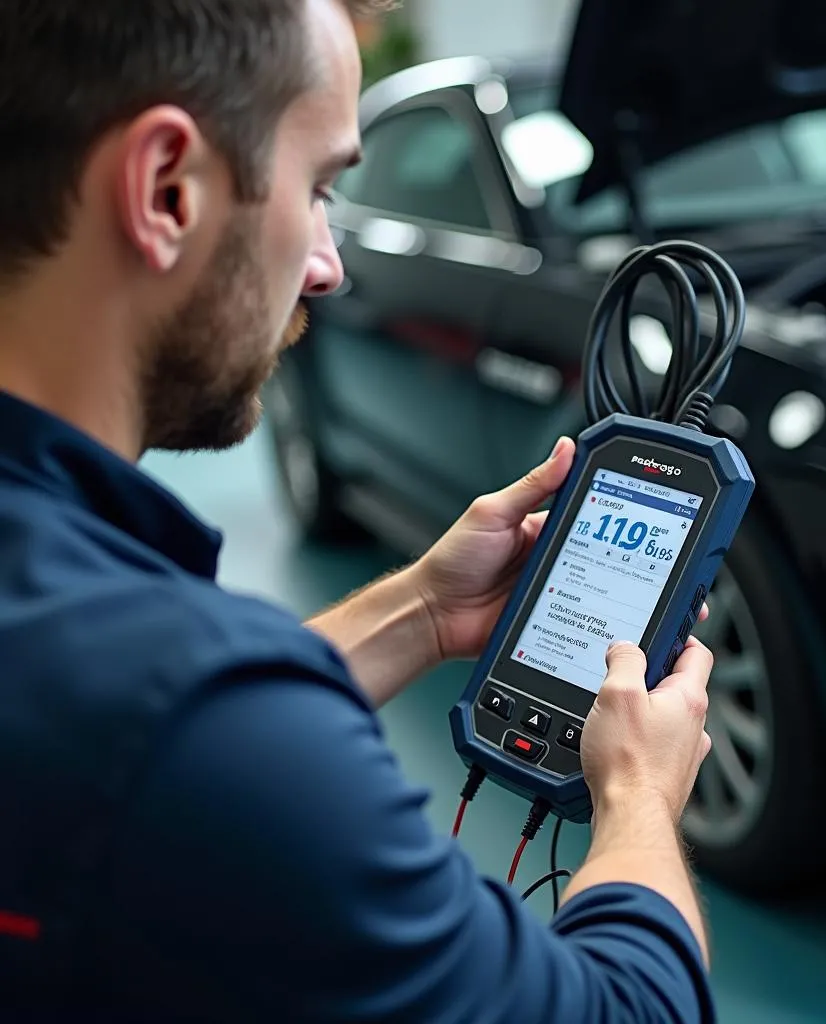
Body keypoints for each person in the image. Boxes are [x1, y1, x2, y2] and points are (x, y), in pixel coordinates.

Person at [0, 1, 718, 1021]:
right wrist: (639, 793)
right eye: (321, 187)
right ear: (167, 189)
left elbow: (104, 743)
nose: (331, 264)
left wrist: (421, 611)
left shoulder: (105, 670)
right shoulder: (197, 721)